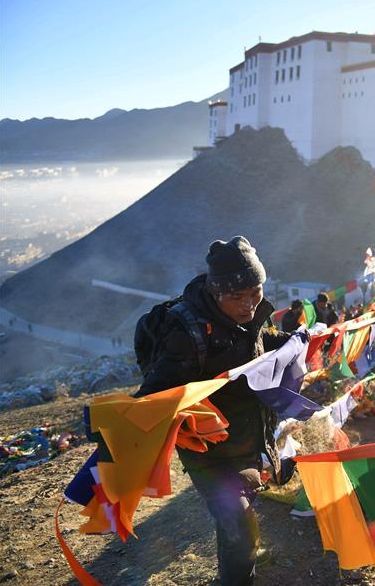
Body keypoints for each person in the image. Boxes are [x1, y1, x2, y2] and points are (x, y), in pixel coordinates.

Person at [134, 236, 292, 585]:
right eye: (237, 297)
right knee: (237, 521)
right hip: (207, 451)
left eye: (256, 292)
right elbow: (153, 395)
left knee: (243, 512)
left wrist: (296, 340)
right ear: (215, 291)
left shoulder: (247, 316)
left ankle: (246, 557)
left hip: (247, 437)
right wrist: (120, 428)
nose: (249, 305)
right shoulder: (187, 335)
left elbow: (258, 344)